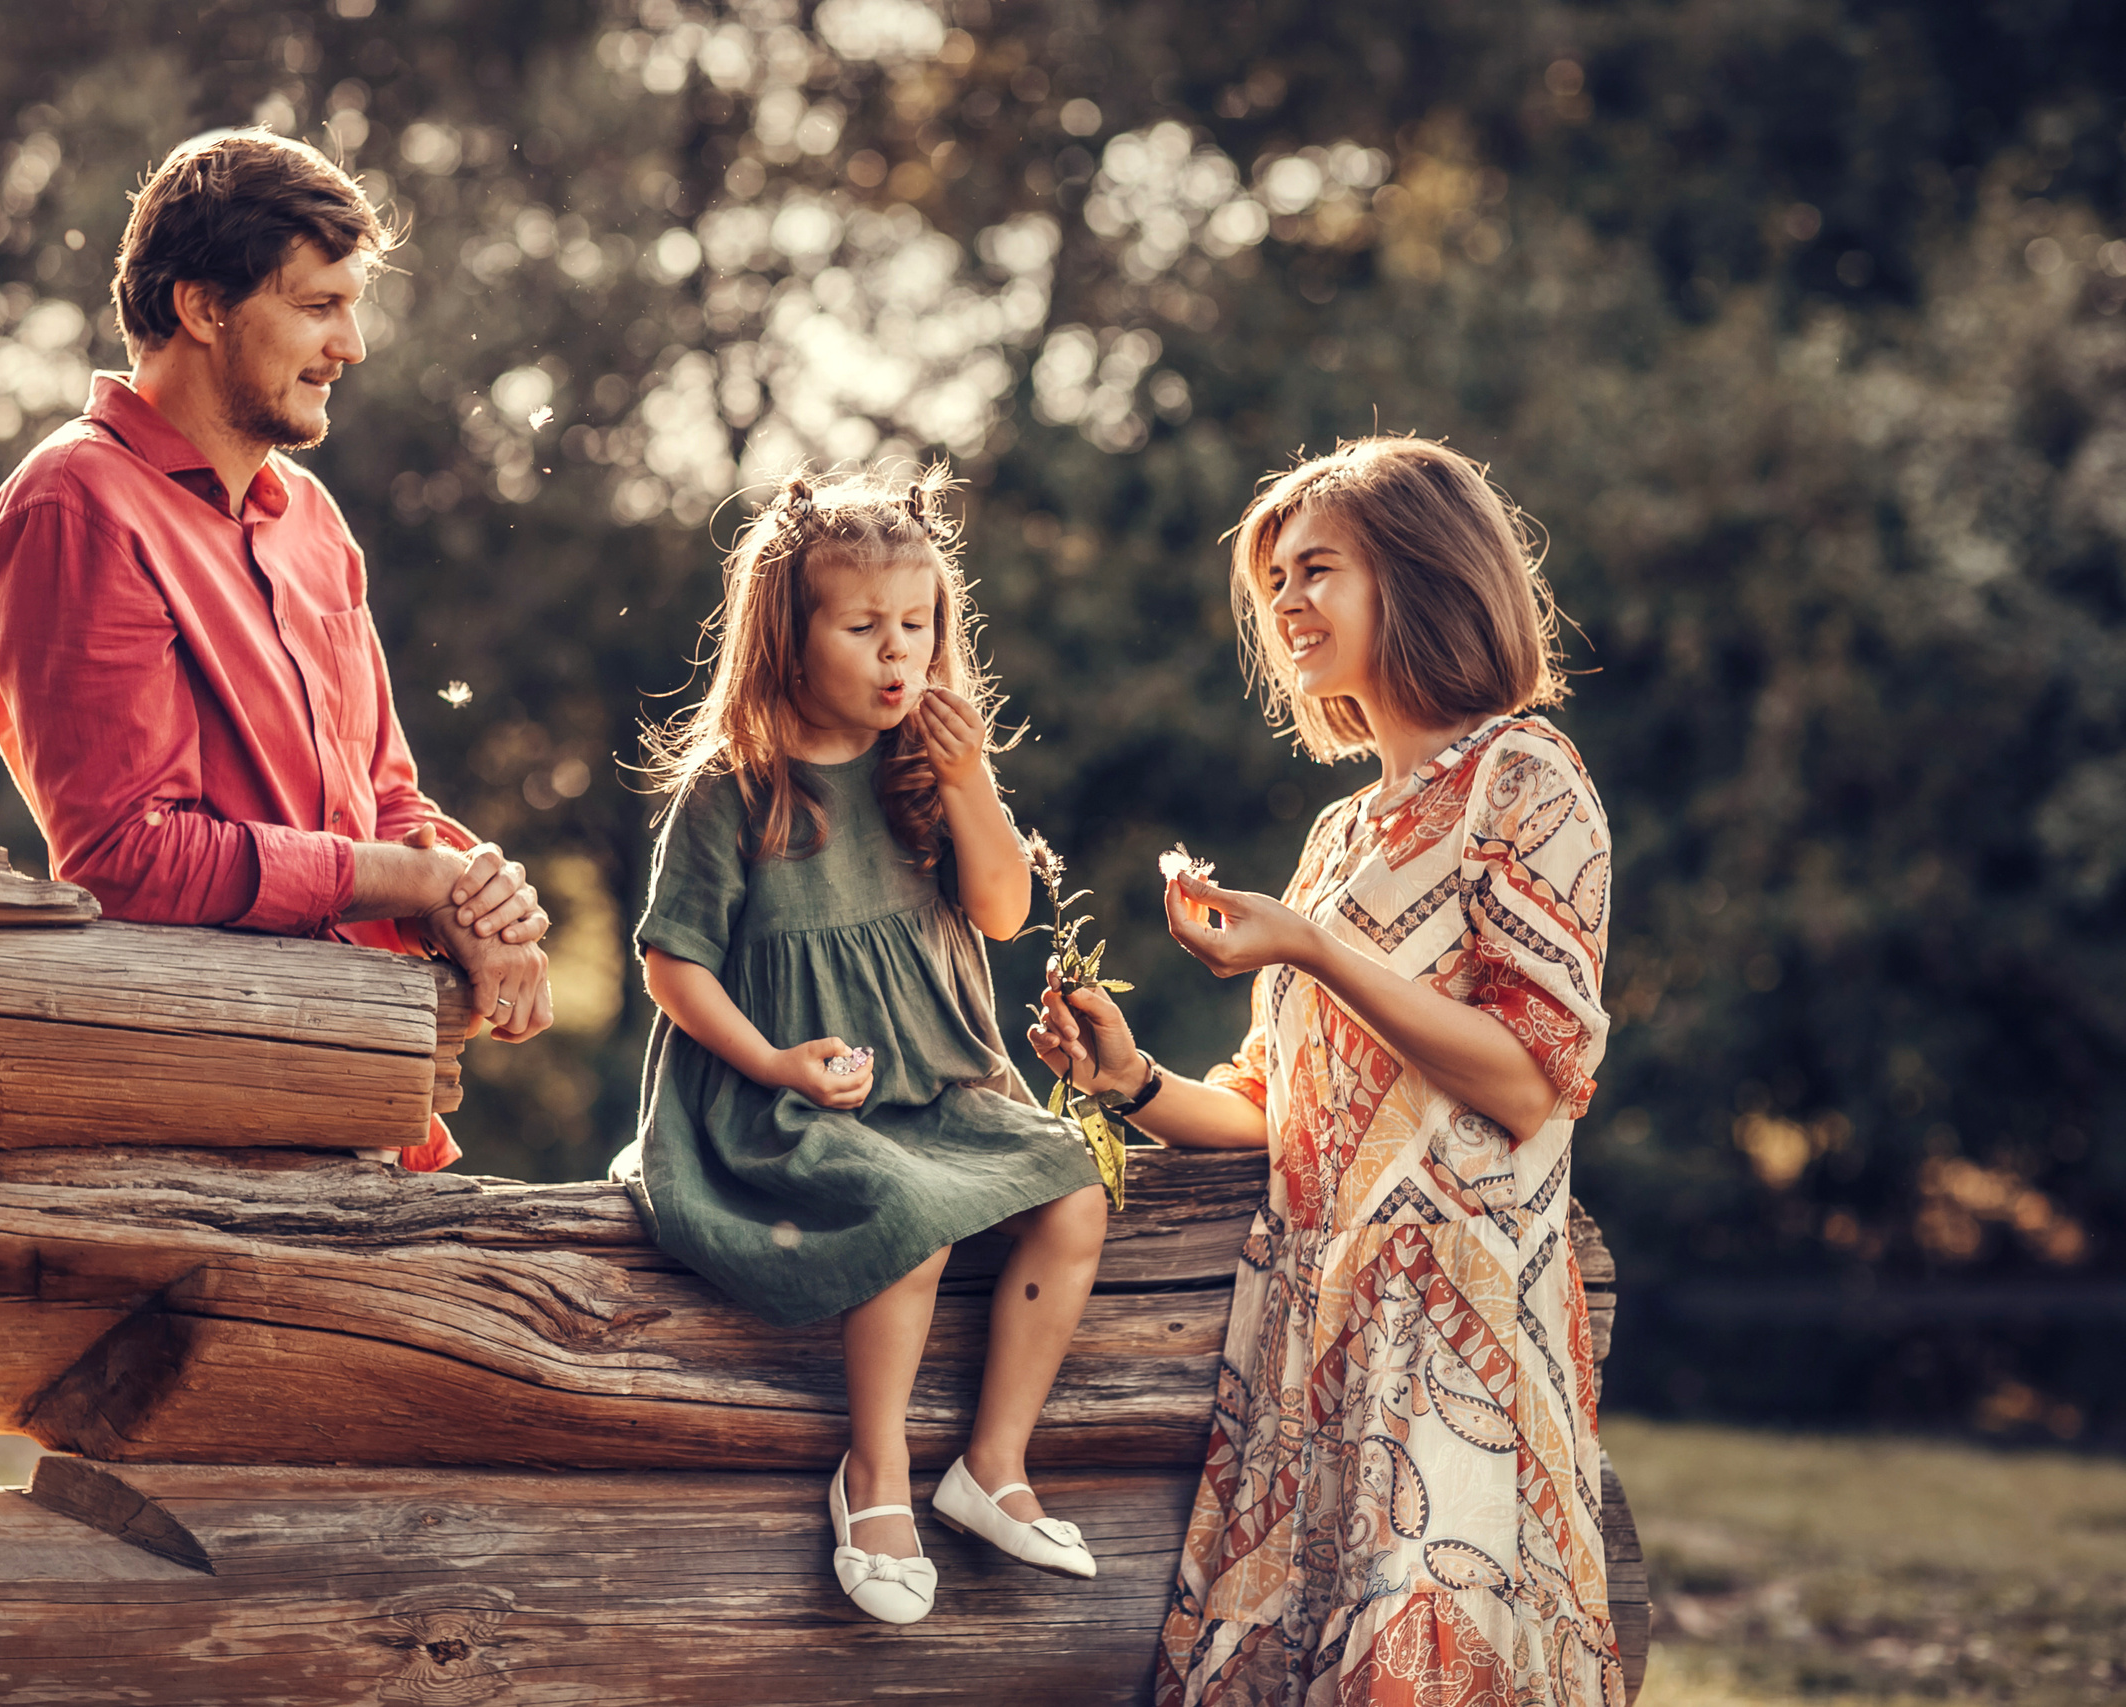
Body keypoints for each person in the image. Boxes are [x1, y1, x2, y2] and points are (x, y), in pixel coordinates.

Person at [1032, 438, 1623, 1705]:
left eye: (1318, 571)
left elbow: (1531, 1080)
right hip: (1315, 1330)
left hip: (1456, 1329)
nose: (1287, 605)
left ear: (1418, 573)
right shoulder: (1339, 831)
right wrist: (1128, 1078)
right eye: (1274, 584)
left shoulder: (1522, 776)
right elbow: (1270, 1103)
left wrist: (1310, 942)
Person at [0, 130, 551, 1170]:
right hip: (208, 1123)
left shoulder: (312, 520)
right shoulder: (77, 505)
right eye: (318, 306)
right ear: (203, 307)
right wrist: (416, 885)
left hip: (366, 1094)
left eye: (351, 306)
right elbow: (127, 860)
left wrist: (468, 891)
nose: (353, 346)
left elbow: (384, 800)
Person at [622, 469, 1111, 1626]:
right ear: (786, 639)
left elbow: (999, 910)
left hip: (936, 1084)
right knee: (904, 1215)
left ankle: (991, 1467)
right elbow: (670, 966)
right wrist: (778, 1064)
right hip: (784, 1095)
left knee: (1074, 1192)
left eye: (919, 627)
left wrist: (970, 777)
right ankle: (874, 1475)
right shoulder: (734, 791)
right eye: (863, 630)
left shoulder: (918, 773)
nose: (900, 657)